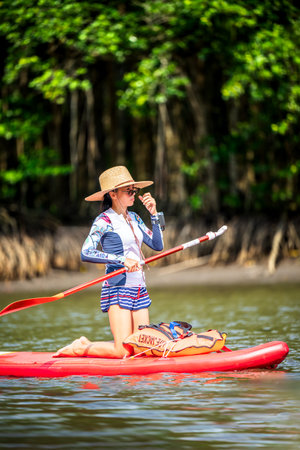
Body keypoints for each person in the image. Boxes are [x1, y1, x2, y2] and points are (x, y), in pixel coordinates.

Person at [55, 166, 164, 358]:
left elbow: (157, 245)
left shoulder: (135, 218)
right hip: (118, 288)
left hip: (139, 288)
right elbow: (86, 252)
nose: (133, 194)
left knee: (142, 348)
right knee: (122, 350)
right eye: (128, 191)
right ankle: (81, 347)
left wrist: (154, 214)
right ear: (113, 194)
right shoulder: (103, 221)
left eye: (135, 190)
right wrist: (122, 260)